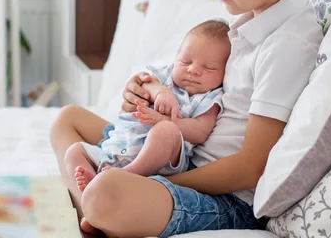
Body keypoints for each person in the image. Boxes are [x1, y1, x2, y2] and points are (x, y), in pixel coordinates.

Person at [49, 0, 325, 237]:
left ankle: (97, 204)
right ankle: (98, 207)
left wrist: (166, 176)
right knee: (66, 120)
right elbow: (190, 81)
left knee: (109, 194)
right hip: (178, 152)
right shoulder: (249, 21)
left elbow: (251, 167)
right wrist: (147, 88)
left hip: (224, 198)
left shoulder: (287, 43)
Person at [64, 20, 230, 192]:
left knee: (166, 130)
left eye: (209, 68)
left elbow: (201, 132)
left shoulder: (210, 98)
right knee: (74, 152)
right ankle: (92, 189)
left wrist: (162, 120)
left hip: (158, 162)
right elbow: (144, 83)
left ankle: (129, 174)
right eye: (185, 61)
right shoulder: (166, 76)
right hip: (113, 150)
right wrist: (160, 92)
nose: (193, 70)